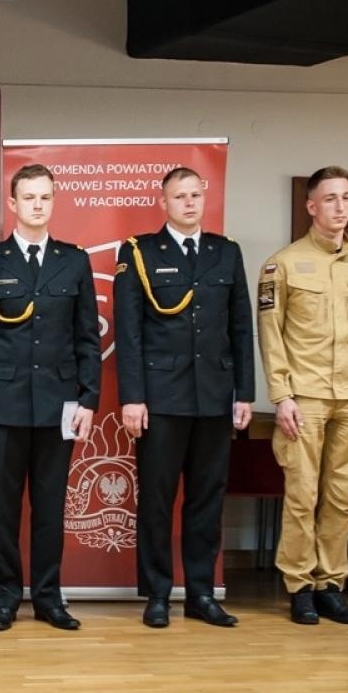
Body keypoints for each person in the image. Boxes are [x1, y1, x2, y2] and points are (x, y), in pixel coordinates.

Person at [113, 167, 253, 629]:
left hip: (213, 396)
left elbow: (240, 327)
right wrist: (133, 397)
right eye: (180, 196)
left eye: (195, 194)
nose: (189, 203)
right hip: (161, 397)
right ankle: (157, 594)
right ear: (164, 203)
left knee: (206, 500)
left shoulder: (225, 252)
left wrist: (244, 393)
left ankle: (201, 594)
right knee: (156, 500)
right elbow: (129, 332)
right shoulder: (140, 252)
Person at [0, 163, 98, 632]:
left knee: (49, 508)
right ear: (13, 204)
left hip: (59, 404)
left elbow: (87, 338)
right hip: (3, 405)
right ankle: (4, 599)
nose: (37, 205)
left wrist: (88, 399)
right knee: (3, 510)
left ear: (53, 202)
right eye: (29, 198)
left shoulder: (73, 261)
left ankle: (47, 598)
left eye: (45, 197)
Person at [257, 166, 348, 625]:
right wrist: (282, 395)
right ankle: (299, 586)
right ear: (311, 206)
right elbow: (271, 335)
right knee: (302, 495)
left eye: (346, 197)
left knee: (342, 496)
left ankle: (330, 584)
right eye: (330, 198)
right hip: (306, 397)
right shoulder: (283, 264)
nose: (339, 206)